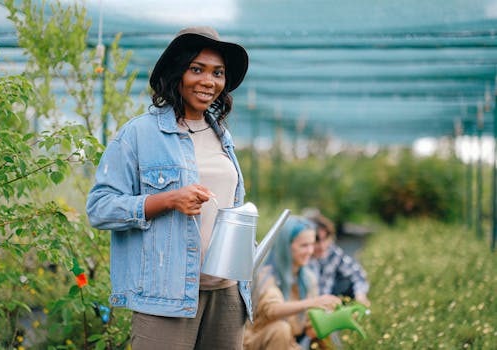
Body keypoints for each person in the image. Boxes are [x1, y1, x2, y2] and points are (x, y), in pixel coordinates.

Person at [86, 26, 250, 349]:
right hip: (167, 296)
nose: (209, 81)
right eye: (197, 69)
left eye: (218, 73)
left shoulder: (222, 137)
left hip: (228, 294)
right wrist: (168, 200)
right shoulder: (138, 135)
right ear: (177, 72)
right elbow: (99, 208)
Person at [243, 216, 341, 350]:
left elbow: (310, 326)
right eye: (304, 245)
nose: (310, 251)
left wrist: (336, 318)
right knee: (280, 329)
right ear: (286, 246)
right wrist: (313, 302)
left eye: (312, 244)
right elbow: (272, 310)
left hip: (289, 344)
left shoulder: (307, 278)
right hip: (255, 342)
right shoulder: (267, 275)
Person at [305, 211, 370, 308]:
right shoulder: (303, 258)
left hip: (327, 303)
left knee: (347, 281)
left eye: (325, 239)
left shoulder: (332, 252)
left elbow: (357, 272)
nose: (322, 246)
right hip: (307, 306)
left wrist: (360, 295)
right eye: (317, 241)